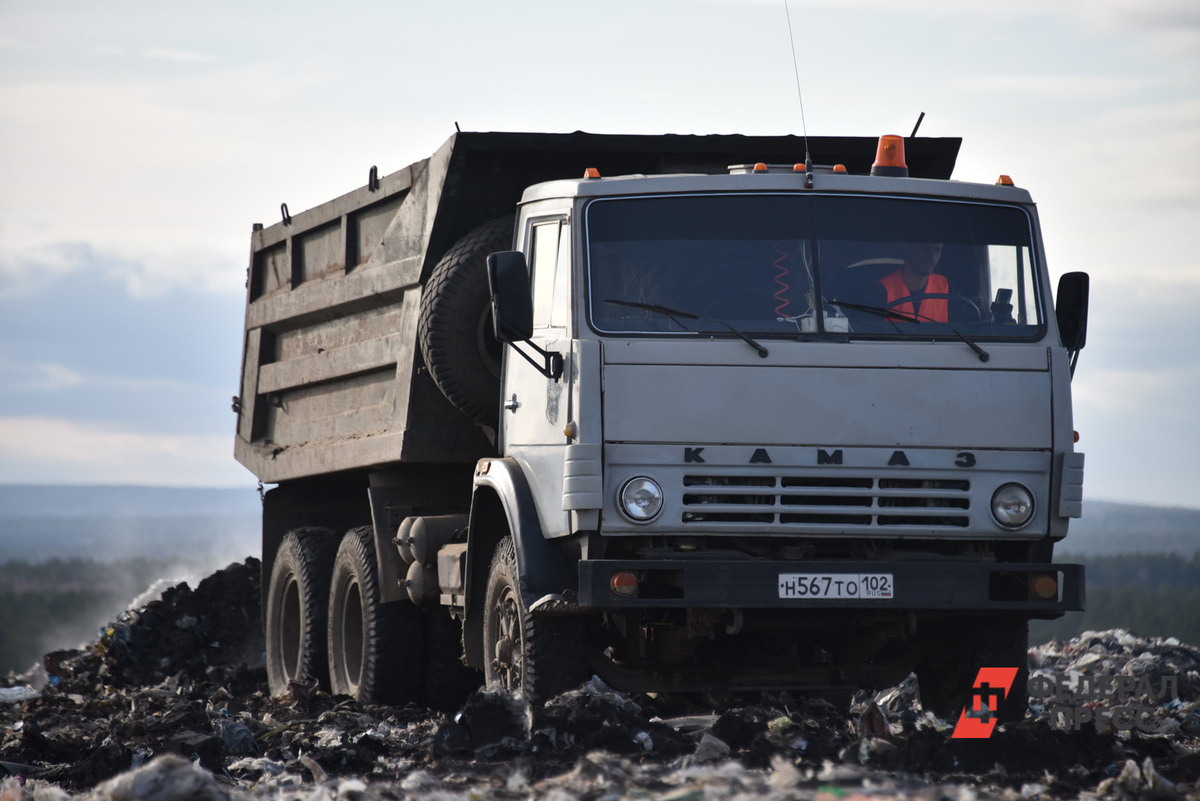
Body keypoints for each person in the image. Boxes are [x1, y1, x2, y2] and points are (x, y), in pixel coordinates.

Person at [874, 242, 948, 323]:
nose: (932, 257)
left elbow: (962, 326)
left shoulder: (946, 287)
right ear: (908, 247)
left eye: (937, 250)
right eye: (926, 249)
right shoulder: (881, 290)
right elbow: (867, 327)